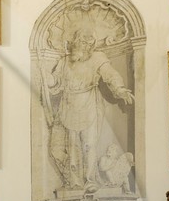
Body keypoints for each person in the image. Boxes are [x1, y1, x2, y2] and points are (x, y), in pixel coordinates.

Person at [42, 28, 135, 189]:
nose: (86, 47)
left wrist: (120, 89)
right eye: (83, 42)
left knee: (89, 145)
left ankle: (90, 180)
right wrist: (46, 77)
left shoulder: (98, 58)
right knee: (72, 147)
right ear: (76, 42)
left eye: (89, 43)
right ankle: (74, 182)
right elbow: (55, 82)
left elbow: (110, 74)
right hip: (68, 105)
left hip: (89, 103)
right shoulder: (65, 61)